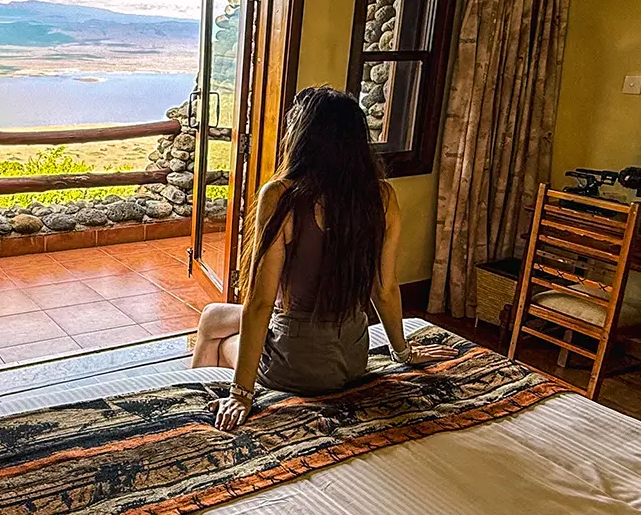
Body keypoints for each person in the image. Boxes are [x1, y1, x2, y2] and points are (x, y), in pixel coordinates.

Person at [190, 86, 456, 431]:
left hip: (298, 364)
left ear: (303, 139)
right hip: (352, 358)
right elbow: (386, 289)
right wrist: (403, 352)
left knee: (219, 338)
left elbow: (260, 303)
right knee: (213, 315)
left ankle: (194, 410)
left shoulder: (282, 195)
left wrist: (242, 392)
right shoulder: (382, 197)